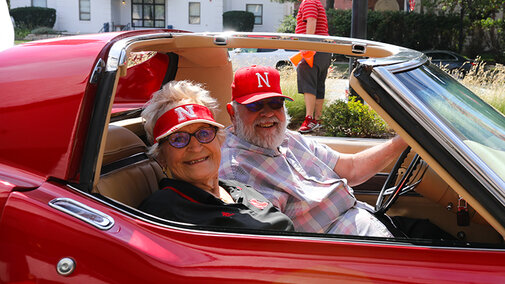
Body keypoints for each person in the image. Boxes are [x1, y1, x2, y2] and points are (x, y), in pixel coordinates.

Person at [219, 65, 406, 237]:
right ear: (232, 113)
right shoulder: (235, 171)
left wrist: (405, 140)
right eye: (255, 105)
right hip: (344, 251)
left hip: (364, 219)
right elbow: (277, 244)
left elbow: (351, 169)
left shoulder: (288, 139)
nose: (267, 113)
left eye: (275, 103)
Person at [139, 80, 294, 232]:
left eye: (204, 133)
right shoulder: (163, 209)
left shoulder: (239, 189)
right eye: (178, 139)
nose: (195, 146)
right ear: (161, 156)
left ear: (219, 140)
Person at [295, 0, 332, 133]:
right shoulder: (316, 1)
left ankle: (309, 119)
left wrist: (307, 47)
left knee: (308, 84)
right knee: (318, 85)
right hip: (323, 48)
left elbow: (311, 20)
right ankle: (318, 119)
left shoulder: (309, 1)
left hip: (314, 49)